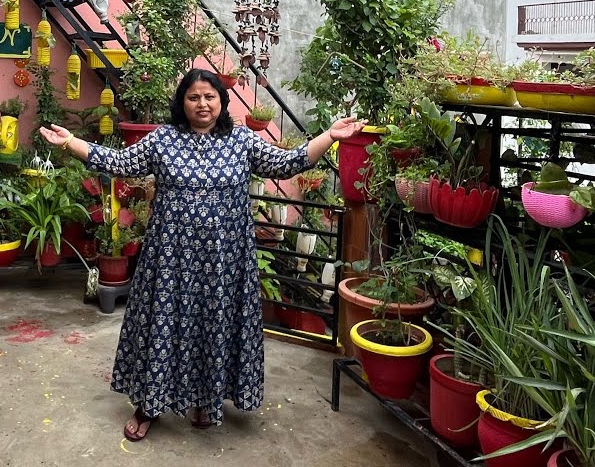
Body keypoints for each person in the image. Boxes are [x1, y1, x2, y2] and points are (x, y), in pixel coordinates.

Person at [38, 68, 364, 441]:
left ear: (221, 101)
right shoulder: (163, 140)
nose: (203, 103)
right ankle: (149, 404)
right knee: (163, 327)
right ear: (183, 102)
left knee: (215, 326)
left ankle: (206, 401)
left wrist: (329, 136)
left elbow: (287, 163)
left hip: (224, 263)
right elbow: (118, 164)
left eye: (210, 96)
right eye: (194, 97)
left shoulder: (242, 141)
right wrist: (70, 143)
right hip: (171, 260)